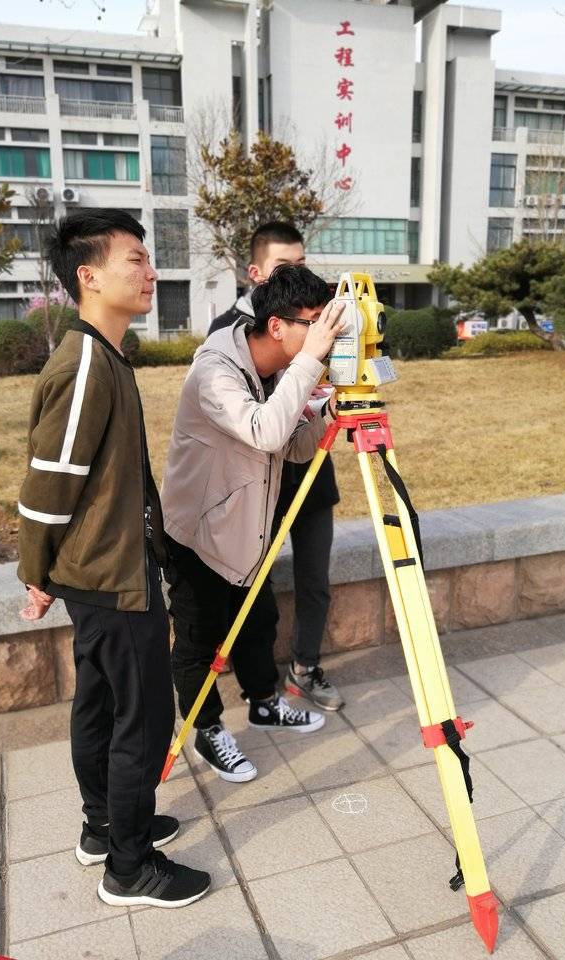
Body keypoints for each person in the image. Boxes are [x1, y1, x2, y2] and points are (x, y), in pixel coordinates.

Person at [16, 209, 210, 909]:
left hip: (106, 570)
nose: (150, 271)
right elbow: (49, 483)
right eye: (136, 259)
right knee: (142, 720)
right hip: (110, 577)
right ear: (89, 276)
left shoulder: (104, 356)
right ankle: (130, 868)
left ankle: (104, 828)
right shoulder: (85, 365)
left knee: (100, 706)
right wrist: (35, 574)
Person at [162, 264, 345, 783]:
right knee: (199, 639)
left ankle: (264, 703)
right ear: (277, 326)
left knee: (258, 621)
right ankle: (207, 730)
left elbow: (293, 448)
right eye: (313, 321)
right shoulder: (215, 371)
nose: (324, 332)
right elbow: (264, 431)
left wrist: (332, 411)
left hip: (247, 528)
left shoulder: (280, 370)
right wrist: (309, 364)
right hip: (198, 532)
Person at [209, 222, 344, 712]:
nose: (297, 273)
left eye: (302, 263)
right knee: (252, 588)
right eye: (285, 266)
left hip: (310, 474)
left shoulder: (318, 320)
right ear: (256, 272)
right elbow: (251, 423)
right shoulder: (226, 334)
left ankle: (306, 668)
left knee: (314, 580)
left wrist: (331, 398)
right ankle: (259, 683)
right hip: (255, 482)